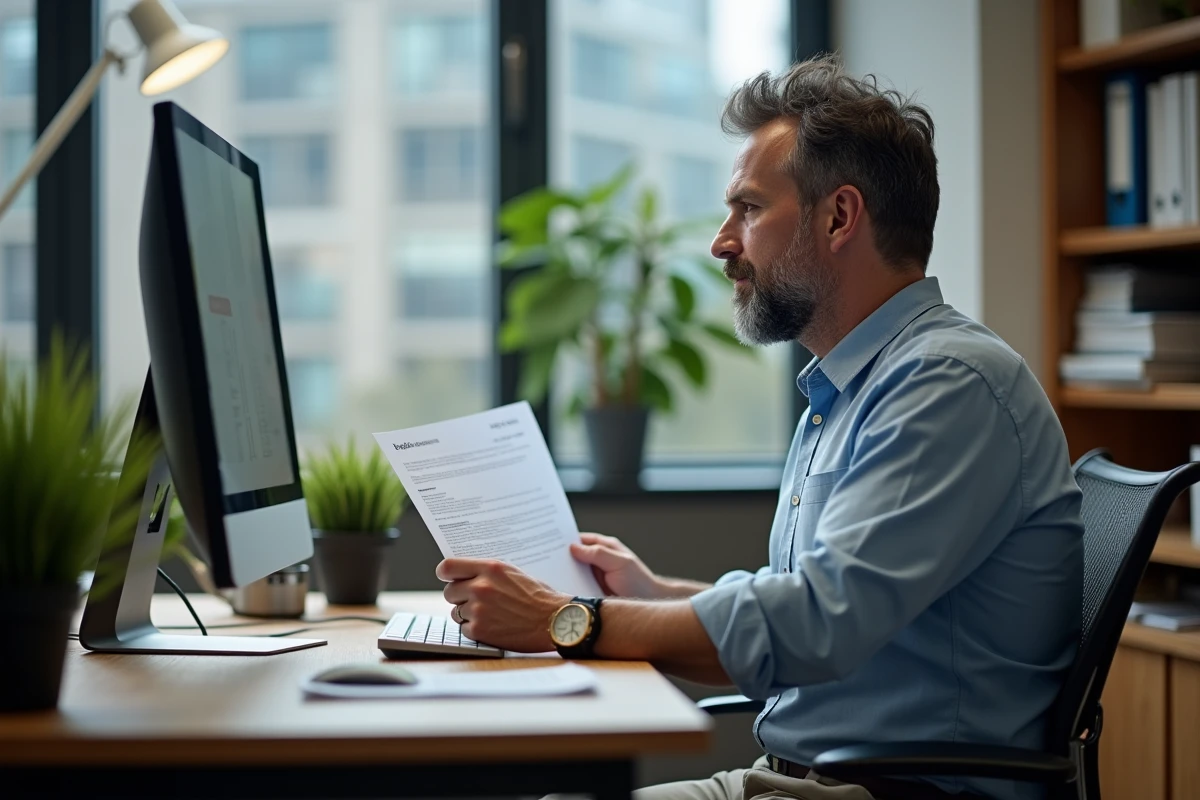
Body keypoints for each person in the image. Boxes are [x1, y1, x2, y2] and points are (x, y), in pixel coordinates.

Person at [437, 54, 1083, 800]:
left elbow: (814, 623)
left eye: (747, 208)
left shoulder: (946, 385)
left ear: (839, 217)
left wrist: (567, 620)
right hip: (802, 782)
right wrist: (657, 594)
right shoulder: (851, 386)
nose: (721, 242)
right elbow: (805, 594)